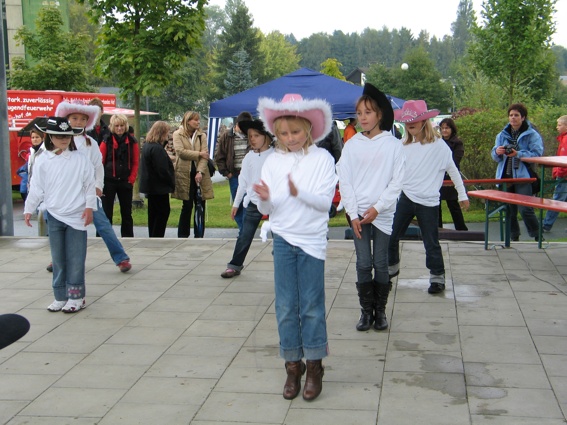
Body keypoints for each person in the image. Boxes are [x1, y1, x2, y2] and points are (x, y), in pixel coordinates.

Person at [254, 93, 338, 401]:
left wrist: (298, 190)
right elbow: (268, 206)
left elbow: (324, 204)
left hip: (312, 242)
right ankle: (293, 366)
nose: (290, 138)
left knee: (312, 308)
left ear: (309, 129)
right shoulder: (272, 161)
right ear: (276, 134)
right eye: (284, 133)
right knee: (286, 306)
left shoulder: (323, 160)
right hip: (283, 239)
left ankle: (315, 365)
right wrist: (264, 196)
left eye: (296, 132)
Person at [336, 83, 405, 332]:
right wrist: (353, 213)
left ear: (379, 115)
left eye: (368, 112)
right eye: (359, 113)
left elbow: (397, 182)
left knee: (381, 261)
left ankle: (381, 312)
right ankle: (366, 312)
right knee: (364, 263)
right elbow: (345, 179)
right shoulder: (353, 144)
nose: (362, 117)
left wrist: (378, 207)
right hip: (358, 216)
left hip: (383, 214)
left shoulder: (394, 145)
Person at [388, 100, 469, 294]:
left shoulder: (439, 146)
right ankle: (391, 269)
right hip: (406, 198)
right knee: (391, 236)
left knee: (431, 241)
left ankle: (437, 277)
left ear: (424, 121)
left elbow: (454, 171)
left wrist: (462, 195)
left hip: (428, 202)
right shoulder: (402, 145)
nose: (409, 125)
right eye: (406, 122)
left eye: (414, 121)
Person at [24, 117, 96, 313]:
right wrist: (29, 208)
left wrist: (89, 208)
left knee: (75, 257)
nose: (63, 140)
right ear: (50, 137)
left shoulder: (80, 159)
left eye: (67, 136)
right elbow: (37, 187)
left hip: (77, 216)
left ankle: (77, 296)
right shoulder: (43, 160)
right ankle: (60, 296)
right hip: (54, 214)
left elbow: (90, 185)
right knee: (58, 258)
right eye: (59, 136)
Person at [56, 102, 132, 272]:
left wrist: (99, 185)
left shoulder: (90, 142)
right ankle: (58, 259)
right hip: (65, 194)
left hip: (87, 192)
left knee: (103, 225)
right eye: (74, 118)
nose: (78, 122)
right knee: (61, 227)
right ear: (67, 120)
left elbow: (98, 166)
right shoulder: (60, 142)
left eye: (82, 119)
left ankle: (121, 257)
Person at [220, 119, 274, 278]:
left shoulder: (275, 156)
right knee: (245, 234)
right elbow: (242, 183)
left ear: (266, 136)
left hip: (273, 202)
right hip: (253, 202)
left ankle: (283, 264)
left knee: (279, 235)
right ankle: (235, 265)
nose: (252, 139)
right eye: (250, 136)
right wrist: (236, 204)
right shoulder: (248, 157)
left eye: (256, 135)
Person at [491, 103, 543, 241]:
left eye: (516, 115)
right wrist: (497, 151)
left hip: (523, 176)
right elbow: (494, 155)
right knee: (509, 209)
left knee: (525, 208)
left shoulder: (532, 134)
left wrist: (518, 154)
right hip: (505, 175)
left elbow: (537, 154)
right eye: (511, 115)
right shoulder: (502, 134)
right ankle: (513, 236)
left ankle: (537, 235)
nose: (513, 118)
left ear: (523, 117)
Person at [172, 111, 214, 238]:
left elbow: (205, 155)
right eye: (195, 120)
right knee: (187, 205)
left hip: (200, 174)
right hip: (184, 174)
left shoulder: (202, 135)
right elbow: (181, 152)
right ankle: (183, 235)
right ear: (188, 121)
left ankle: (199, 234)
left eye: (198, 120)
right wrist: (198, 154)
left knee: (200, 204)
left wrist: (200, 171)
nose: (198, 122)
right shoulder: (177, 134)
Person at [100, 114, 139, 237]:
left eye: (122, 125)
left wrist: (131, 180)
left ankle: (128, 237)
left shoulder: (132, 142)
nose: (120, 128)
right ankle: (104, 237)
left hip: (125, 181)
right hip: (108, 181)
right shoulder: (106, 141)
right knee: (106, 213)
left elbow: (135, 162)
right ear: (112, 126)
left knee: (127, 213)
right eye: (117, 126)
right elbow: (100, 161)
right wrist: (100, 181)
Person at [214, 111, 252, 232]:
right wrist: (227, 173)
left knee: (248, 203)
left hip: (249, 176)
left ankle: (245, 232)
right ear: (237, 124)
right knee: (238, 204)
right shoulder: (227, 136)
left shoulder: (252, 135)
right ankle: (242, 230)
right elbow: (219, 156)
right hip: (234, 175)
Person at [139, 121, 175, 237]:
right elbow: (162, 170)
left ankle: (153, 235)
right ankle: (157, 236)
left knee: (153, 213)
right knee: (162, 212)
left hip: (150, 186)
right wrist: (171, 181)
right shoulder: (157, 149)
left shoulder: (147, 146)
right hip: (159, 187)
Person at [439, 118, 468, 231]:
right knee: (437, 206)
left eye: (447, 128)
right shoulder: (439, 142)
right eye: (442, 128)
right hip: (439, 178)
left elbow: (456, 160)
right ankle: (438, 229)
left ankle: (461, 230)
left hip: (451, 178)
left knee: (453, 205)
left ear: (452, 129)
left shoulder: (457, 142)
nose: (444, 130)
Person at [542, 116, 567, 232]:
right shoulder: (562, 139)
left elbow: (563, 159)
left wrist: (559, 172)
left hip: (564, 176)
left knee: (557, 200)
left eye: (559, 125)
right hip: (562, 174)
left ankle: (546, 224)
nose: (557, 127)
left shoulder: (565, 140)